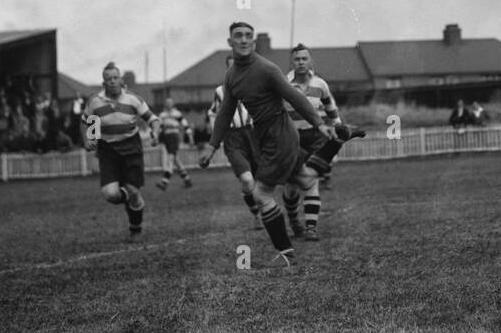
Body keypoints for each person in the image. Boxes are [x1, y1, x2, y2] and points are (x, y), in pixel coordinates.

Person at [200, 22, 364, 268]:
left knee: (261, 194)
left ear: (253, 42)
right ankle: (339, 140)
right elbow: (225, 112)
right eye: (238, 36)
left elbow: (294, 96)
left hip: (280, 133)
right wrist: (212, 147)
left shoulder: (266, 68)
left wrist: (319, 124)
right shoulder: (232, 76)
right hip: (264, 135)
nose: (244, 40)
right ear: (230, 42)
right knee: (306, 180)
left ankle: (285, 252)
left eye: (248, 36)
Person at [82, 62, 156, 237]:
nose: (112, 81)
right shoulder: (95, 102)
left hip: (131, 150)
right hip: (108, 152)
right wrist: (88, 139)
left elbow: (153, 119)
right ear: (103, 83)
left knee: (134, 191)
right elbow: (88, 122)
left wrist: (156, 133)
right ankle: (128, 197)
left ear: (121, 80)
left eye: (115, 78)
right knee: (110, 195)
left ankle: (136, 226)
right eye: (108, 79)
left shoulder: (133, 99)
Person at [281, 44, 342, 241]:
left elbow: (330, 108)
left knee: (311, 181)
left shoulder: (320, 84)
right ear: (292, 62)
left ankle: (311, 228)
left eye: (304, 59)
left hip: (315, 138)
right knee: (291, 187)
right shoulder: (283, 83)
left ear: (310, 61)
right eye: (297, 59)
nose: (301, 62)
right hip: (292, 140)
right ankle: (294, 221)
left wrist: (337, 127)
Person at [206, 55, 262, 228]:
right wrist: (216, 134)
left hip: (254, 135)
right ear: (227, 70)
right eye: (231, 67)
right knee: (246, 180)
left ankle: (265, 211)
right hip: (233, 138)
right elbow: (213, 113)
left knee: (261, 180)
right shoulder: (220, 91)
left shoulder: (256, 85)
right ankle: (256, 214)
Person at [155, 98, 194, 190]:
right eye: (167, 103)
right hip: (167, 138)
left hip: (174, 136)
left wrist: (190, 137)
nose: (168, 104)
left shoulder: (177, 113)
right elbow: (159, 127)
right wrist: (156, 137)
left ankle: (165, 181)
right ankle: (187, 180)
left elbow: (185, 125)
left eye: (170, 103)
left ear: (172, 104)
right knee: (175, 159)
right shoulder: (162, 115)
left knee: (171, 158)